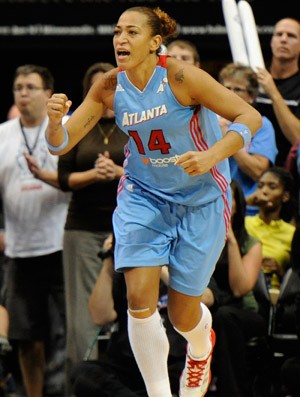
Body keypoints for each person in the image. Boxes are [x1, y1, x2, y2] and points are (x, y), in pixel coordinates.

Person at [45, 6, 262, 397]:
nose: (121, 39)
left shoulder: (181, 77)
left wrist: (212, 155)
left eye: (131, 32)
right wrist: (54, 121)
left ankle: (200, 349)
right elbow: (60, 144)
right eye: (116, 32)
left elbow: (249, 117)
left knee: (182, 314)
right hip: (143, 195)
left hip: (201, 200)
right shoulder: (109, 86)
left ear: (155, 42)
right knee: (139, 298)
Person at [57, 62, 128, 396]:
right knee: (83, 321)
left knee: (134, 311)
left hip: (130, 227)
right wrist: (94, 176)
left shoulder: (136, 123)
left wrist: (118, 172)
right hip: (83, 228)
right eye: (103, 87)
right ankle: (80, 387)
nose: (109, 94)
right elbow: (62, 178)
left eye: (115, 87)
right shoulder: (77, 125)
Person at [0, 64, 70, 397]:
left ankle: (76, 389)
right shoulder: (3, 134)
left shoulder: (67, 128)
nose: (23, 94)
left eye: (30, 87)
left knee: (75, 328)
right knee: (26, 336)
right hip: (20, 248)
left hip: (63, 243)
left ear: (48, 93)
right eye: (17, 88)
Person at [70, 233, 186, 397]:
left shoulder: (185, 259)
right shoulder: (128, 271)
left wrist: (155, 262)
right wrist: (109, 261)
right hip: (127, 365)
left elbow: (206, 298)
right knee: (83, 374)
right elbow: (100, 316)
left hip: (170, 363)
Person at [202, 180, 265, 397]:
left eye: (228, 198)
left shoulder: (251, 244)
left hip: (243, 312)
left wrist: (231, 242)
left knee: (223, 317)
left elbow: (240, 289)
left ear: (237, 205)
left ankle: (233, 391)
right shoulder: (200, 239)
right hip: (209, 308)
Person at [218, 63, 278, 215]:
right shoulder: (208, 121)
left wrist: (229, 136)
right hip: (212, 206)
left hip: (247, 210)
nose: (230, 93)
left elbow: (258, 171)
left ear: (251, 96)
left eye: (238, 89)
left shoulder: (261, 125)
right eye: (227, 88)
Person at [255, 18, 300, 167]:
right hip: (253, 170)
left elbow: (298, 139)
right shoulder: (253, 79)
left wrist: (273, 92)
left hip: (289, 172)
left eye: (291, 36)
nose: (284, 39)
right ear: (271, 41)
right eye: (279, 34)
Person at [245, 166, 297, 291]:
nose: (264, 191)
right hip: (243, 290)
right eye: (260, 186)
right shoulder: (245, 224)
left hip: (273, 296)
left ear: (285, 196)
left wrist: (280, 271)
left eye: (272, 187)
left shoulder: (292, 234)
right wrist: (246, 202)